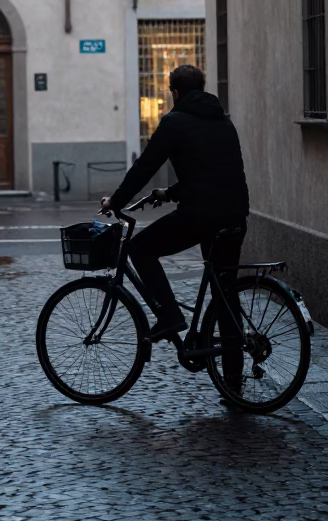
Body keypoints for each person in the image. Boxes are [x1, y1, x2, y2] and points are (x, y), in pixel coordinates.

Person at [101, 64, 249, 355]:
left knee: (140, 249)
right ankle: (233, 378)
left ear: (176, 93)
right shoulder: (223, 121)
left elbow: (144, 167)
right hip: (235, 213)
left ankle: (170, 316)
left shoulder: (175, 121)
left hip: (201, 215)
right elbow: (212, 174)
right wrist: (169, 193)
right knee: (225, 295)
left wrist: (115, 202)